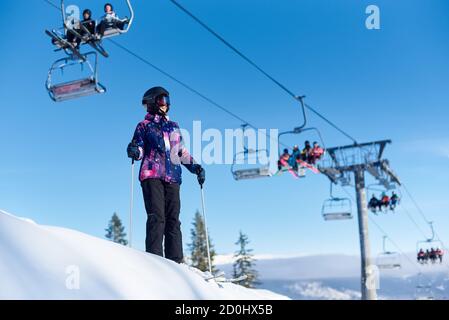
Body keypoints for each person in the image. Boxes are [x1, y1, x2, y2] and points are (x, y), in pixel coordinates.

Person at [127, 86, 205, 264]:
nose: (166, 105)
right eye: (162, 100)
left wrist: (195, 167)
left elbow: (181, 152)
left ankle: (176, 263)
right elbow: (139, 148)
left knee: (173, 220)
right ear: (153, 102)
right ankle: (155, 261)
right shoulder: (144, 126)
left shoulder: (173, 127)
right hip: (151, 175)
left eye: (168, 101)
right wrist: (134, 151)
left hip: (173, 177)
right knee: (157, 217)